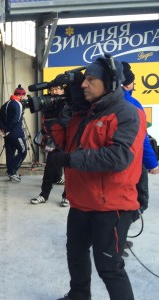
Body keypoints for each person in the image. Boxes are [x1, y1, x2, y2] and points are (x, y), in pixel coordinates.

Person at [46, 56, 146, 300]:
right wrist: (52, 118)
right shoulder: (83, 114)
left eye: (91, 80)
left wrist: (71, 160)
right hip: (81, 202)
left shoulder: (127, 113)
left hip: (112, 205)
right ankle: (79, 295)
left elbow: (119, 156)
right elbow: (66, 144)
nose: (83, 85)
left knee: (109, 266)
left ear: (109, 82)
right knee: (76, 254)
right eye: (85, 79)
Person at [121, 61, 159, 257]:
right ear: (128, 84)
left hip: (113, 164)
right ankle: (115, 239)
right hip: (132, 163)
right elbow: (141, 138)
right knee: (139, 201)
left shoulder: (102, 102)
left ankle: (113, 237)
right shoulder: (132, 105)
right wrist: (152, 163)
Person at [30, 85, 68, 206]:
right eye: (52, 90)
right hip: (55, 143)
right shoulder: (48, 105)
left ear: (63, 90)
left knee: (70, 171)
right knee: (49, 169)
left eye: (57, 89)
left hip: (69, 142)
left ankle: (67, 197)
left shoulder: (69, 104)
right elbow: (45, 122)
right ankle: (44, 195)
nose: (54, 92)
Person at [0, 84, 27, 182]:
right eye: (23, 95)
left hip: (7, 135)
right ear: (21, 95)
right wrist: (8, 129)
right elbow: (16, 120)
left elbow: (0, 120)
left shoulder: (5, 104)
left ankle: (12, 173)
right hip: (16, 133)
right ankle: (11, 171)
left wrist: (3, 130)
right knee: (23, 151)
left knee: (10, 154)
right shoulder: (18, 104)